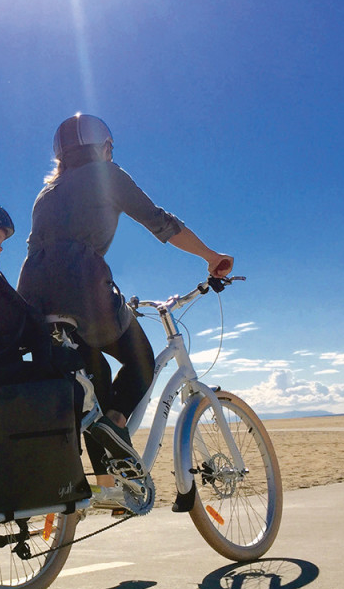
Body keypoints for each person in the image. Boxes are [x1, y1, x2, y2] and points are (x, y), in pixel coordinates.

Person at [17, 113, 234, 501]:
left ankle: (113, 489)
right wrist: (210, 255)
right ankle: (117, 430)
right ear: (104, 147)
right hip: (83, 288)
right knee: (141, 362)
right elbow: (160, 222)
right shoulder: (107, 175)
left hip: (33, 298)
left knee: (95, 382)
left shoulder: (46, 193)